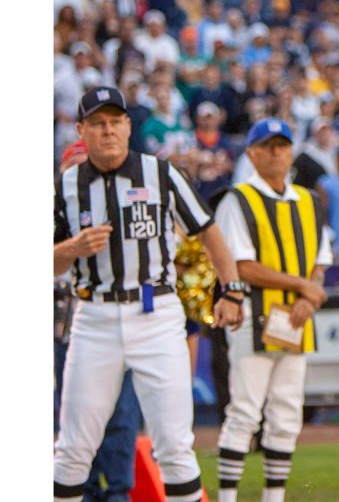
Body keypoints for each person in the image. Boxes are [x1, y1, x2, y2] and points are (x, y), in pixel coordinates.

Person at [53, 86, 247, 502]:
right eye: (98, 124)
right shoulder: (67, 185)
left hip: (155, 311)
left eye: (114, 122)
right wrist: (72, 248)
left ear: (128, 126)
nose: (107, 131)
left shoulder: (161, 173)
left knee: (175, 447)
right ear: (81, 130)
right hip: (94, 316)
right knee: (72, 449)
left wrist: (232, 290)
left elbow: (208, 231)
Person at [213, 118, 332, 502]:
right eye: (267, 146)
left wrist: (308, 296)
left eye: (282, 145)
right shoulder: (238, 198)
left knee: (286, 411)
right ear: (251, 153)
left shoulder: (308, 200)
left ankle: (274, 496)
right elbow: (241, 266)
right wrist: (303, 288)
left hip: (294, 319)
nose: (277, 152)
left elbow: (321, 259)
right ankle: (228, 496)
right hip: (253, 315)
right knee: (245, 410)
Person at [54, 140, 143, 502]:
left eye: (84, 165)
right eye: (72, 166)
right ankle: (86, 491)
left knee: (121, 417)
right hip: (65, 333)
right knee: (74, 421)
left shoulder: (115, 206)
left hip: (116, 326)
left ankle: (118, 491)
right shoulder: (54, 207)